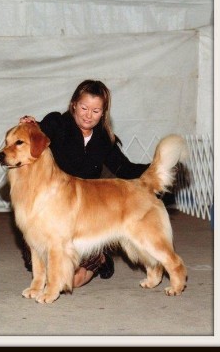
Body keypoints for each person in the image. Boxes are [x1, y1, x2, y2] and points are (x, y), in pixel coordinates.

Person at [20, 79, 149, 288]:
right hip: (50, 215)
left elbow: (126, 170)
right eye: (84, 108)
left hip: (86, 219)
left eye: (96, 110)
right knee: (46, 270)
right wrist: (30, 125)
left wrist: (158, 168)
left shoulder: (105, 139)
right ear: (73, 105)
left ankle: (101, 257)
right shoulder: (57, 124)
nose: (89, 115)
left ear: (103, 113)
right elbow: (37, 134)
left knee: (70, 280)